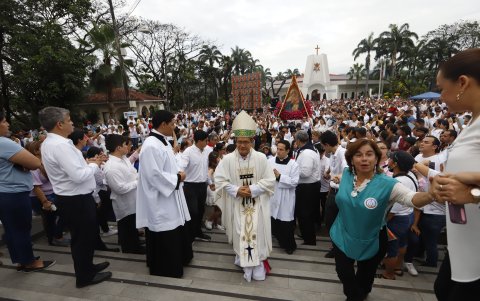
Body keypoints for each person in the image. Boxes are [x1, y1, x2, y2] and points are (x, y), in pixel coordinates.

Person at [330, 139, 435, 301]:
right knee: (344, 274)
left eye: (369, 154)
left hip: (372, 239)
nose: (364, 159)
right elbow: (341, 177)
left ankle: (361, 293)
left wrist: (431, 195)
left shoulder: (388, 184)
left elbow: (410, 198)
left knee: (365, 277)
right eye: (358, 155)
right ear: (351, 159)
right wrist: (336, 177)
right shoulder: (346, 174)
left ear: (378, 158)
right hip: (341, 234)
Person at [39, 107, 111, 288]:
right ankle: (84, 277)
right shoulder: (60, 145)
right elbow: (79, 176)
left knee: (84, 237)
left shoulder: (53, 143)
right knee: (82, 239)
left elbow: (72, 169)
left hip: (72, 197)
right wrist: (94, 166)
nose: (72, 123)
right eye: (69, 120)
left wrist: (89, 163)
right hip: (75, 198)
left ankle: (88, 267)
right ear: (59, 124)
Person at [430, 48, 480, 301]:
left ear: (462, 82)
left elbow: (472, 187)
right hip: (463, 240)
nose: (441, 97)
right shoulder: (472, 121)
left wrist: (473, 194)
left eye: (441, 88)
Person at [214, 110, 276, 282]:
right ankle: (244, 262)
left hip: (258, 205)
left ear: (252, 142)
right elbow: (219, 180)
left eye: (246, 142)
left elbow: (270, 180)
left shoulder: (262, 158)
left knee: (257, 234)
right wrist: (235, 190)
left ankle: (257, 267)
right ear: (235, 141)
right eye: (239, 142)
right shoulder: (227, 160)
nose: (242, 146)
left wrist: (253, 189)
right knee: (241, 233)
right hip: (237, 205)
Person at [136, 110, 192, 278]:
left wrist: (178, 172)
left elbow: (169, 164)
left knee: (176, 228)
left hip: (171, 194)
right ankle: (166, 267)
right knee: (165, 229)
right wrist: (177, 177)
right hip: (160, 198)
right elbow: (153, 175)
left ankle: (181, 258)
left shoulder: (163, 142)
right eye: (173, 123)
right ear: (163, 124)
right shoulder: (151, 145)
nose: (175, 127)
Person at [0, 111, 55, 272]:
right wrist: (25, 164)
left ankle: (20, 259)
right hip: (14, 193)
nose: (8, 124)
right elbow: (34, 162)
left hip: (4, 192)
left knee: (11, 229)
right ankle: (30, 262)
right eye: (4, 121)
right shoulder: (4, 143)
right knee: (21, 228)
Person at [103, 134, 145, 254]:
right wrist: (138, 182)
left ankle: (133, 243)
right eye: (125, 145)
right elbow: (119, 188)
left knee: (131, 226)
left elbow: (132, 173)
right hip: (125, 202)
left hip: (133, 199)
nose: (128, 147)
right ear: (118, 148)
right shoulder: (111, 167)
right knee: (126, 225)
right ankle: (131, 248)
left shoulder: (123, 159)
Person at [381, 151, 418, 280]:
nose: (388, 161)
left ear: (395, 163)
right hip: (408, 216)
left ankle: (389, 273)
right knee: (402, 244)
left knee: (392, 247)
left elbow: (393, 208)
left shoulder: (398, 181)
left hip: (396, 219)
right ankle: (397, 267)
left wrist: (383, 221)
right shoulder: (411, 175)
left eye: (390, 159)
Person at [179, 130, 211, 242]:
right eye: (206, 140)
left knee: (201, 210)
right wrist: (179, 174)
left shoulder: (207, 151)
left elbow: (206, 169)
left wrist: (210, 182)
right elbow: (181, 166)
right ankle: (190, 234)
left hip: (202, 185)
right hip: (190, 186)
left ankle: (198, 232)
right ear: (199, 141)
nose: (207, 142)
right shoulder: (188, 152)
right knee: (193, 211)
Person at [268, 139, 299, 254]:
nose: (278, 151)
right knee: (273, 220)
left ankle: (290, 246)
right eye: (277, 149)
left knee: (285, 222)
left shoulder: (293, 164)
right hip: (273, 195)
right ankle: (280, 240)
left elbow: (294, 182)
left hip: (286, 197)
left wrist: (280, 177)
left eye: (281, 149)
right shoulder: (270, 161)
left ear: (288, 150)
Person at [294, 130, 321, 245]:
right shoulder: (309, 150)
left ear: (298, 141)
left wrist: (292, 170)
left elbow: (305, 173)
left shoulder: (306, 153)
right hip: (309, 186)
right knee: (307, 213)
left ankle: (309, 239)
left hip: (307, 187)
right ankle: (307, 235)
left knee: (305, 214)